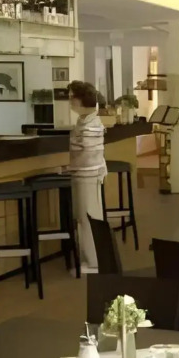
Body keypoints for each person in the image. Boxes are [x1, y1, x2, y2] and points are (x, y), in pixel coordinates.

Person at [66, 80, 108, 273]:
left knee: (87, 218)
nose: (69, 101)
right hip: (88, 173)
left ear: (80, 100)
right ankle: (93, 258)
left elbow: (87, 155)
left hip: (87, 174)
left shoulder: (89, 124)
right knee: (86, 217)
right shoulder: (86, 120)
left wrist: (67, 168)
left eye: (71, 97)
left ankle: (93, 261)